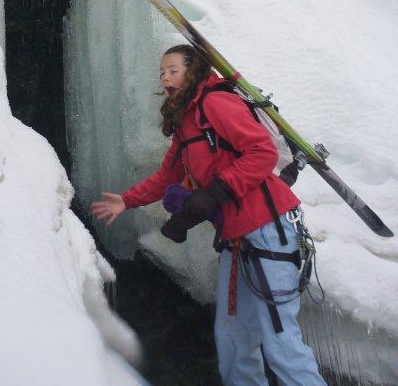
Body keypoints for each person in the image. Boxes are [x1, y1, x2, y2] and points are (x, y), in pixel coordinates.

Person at [91, 44, 327, 386]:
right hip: (237, 240)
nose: (165, 77)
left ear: (194, 71)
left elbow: (260, 151)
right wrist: (126, 201)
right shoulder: (186, 124)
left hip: (268, 227)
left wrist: (216, 192)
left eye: (173, 69)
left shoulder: (215, 103)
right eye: (161, 73)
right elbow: (166, 177)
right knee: (233, 339)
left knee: (281, 345)